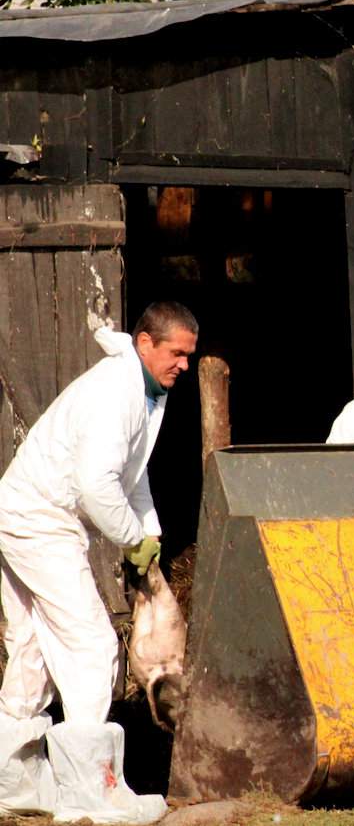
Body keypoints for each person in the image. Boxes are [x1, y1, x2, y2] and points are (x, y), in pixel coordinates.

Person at [0, 302, 197, 824]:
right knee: (90, 643)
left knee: (33, 644)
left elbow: (130, 474)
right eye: (175, 353)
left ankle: (13, 780)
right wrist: (133, 540)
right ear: (145, 344)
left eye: (189, 356)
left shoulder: (142, 390)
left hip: (25, 512)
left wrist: (149, 531)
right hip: (40, 519)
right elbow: (96, 485)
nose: (183, 364)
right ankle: (93, 793)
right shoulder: (118, 393)